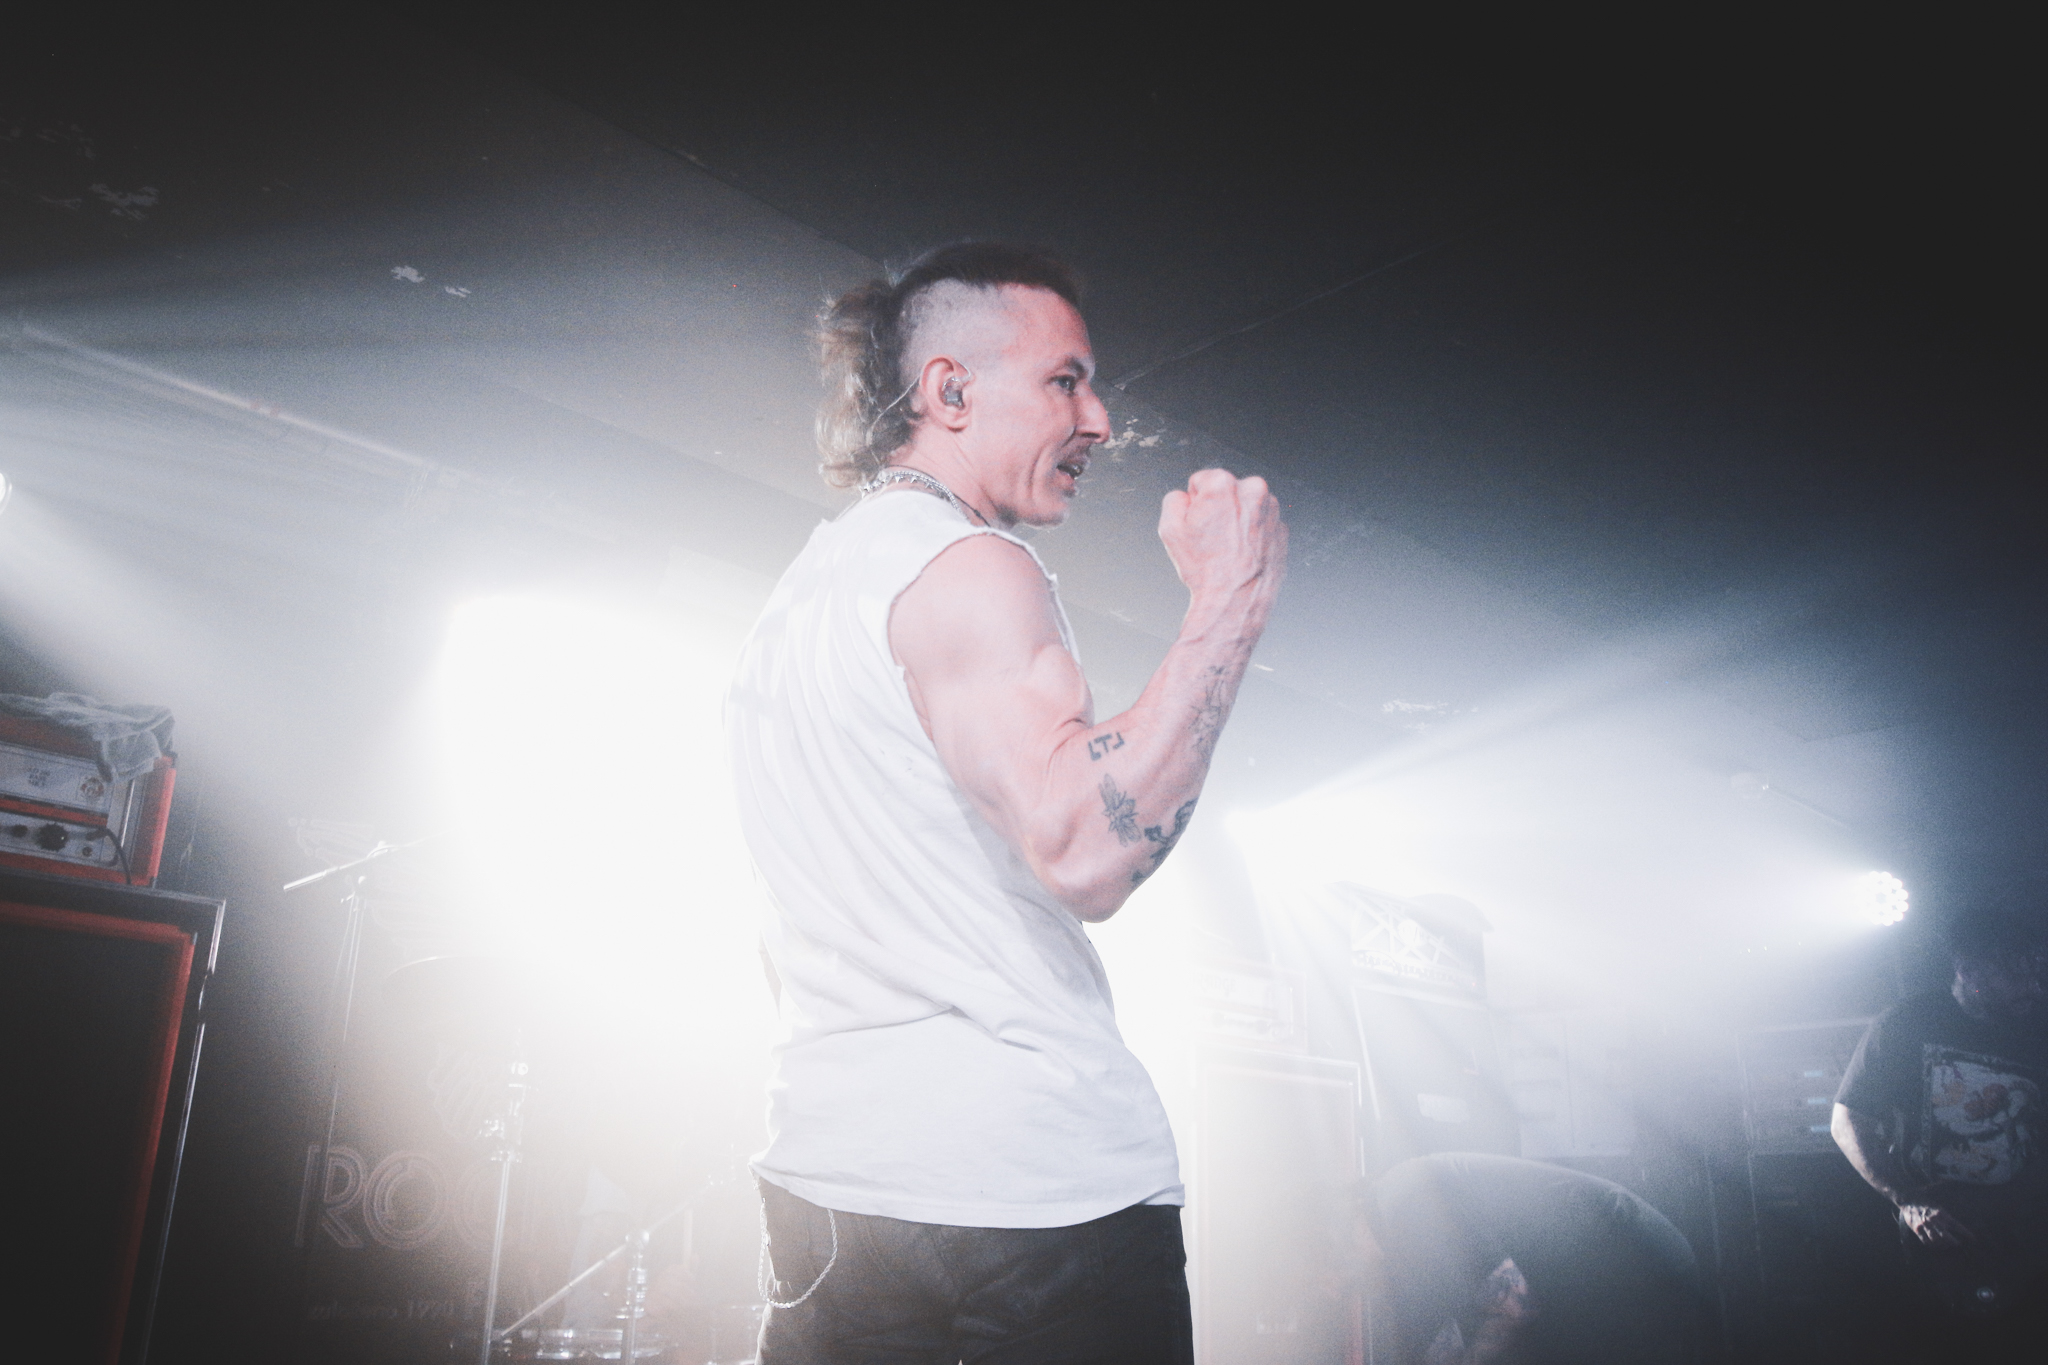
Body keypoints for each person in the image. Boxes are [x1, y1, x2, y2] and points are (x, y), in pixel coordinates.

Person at [724, 242, 1287, 1364]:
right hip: (1028, 1199)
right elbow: (1083, 848)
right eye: (1065, 381)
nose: (1100, 421)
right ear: (949, 391)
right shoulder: (966, 565)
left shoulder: (791, 610)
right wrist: (1232, 598)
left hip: (830, 1186)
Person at [1832, 888, 2048, 1355]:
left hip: (2027, 1241)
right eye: (2014, 972)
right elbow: (1848, 1120)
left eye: (2034, 969)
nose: (2032, 985)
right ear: (1969, 970)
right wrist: (1908, 1201)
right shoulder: (1909, 1023)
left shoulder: (2040, 1029)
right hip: (1940, 1243)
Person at [1361, 1153, 1700, 1365]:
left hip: (1635, 1270)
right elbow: (1453, 1322)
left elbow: (1517, 1305)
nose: (1339, 1289)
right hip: (1627, 1270)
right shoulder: (1399, 1207)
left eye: (1337, 1278)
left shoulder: (1406, 1206)